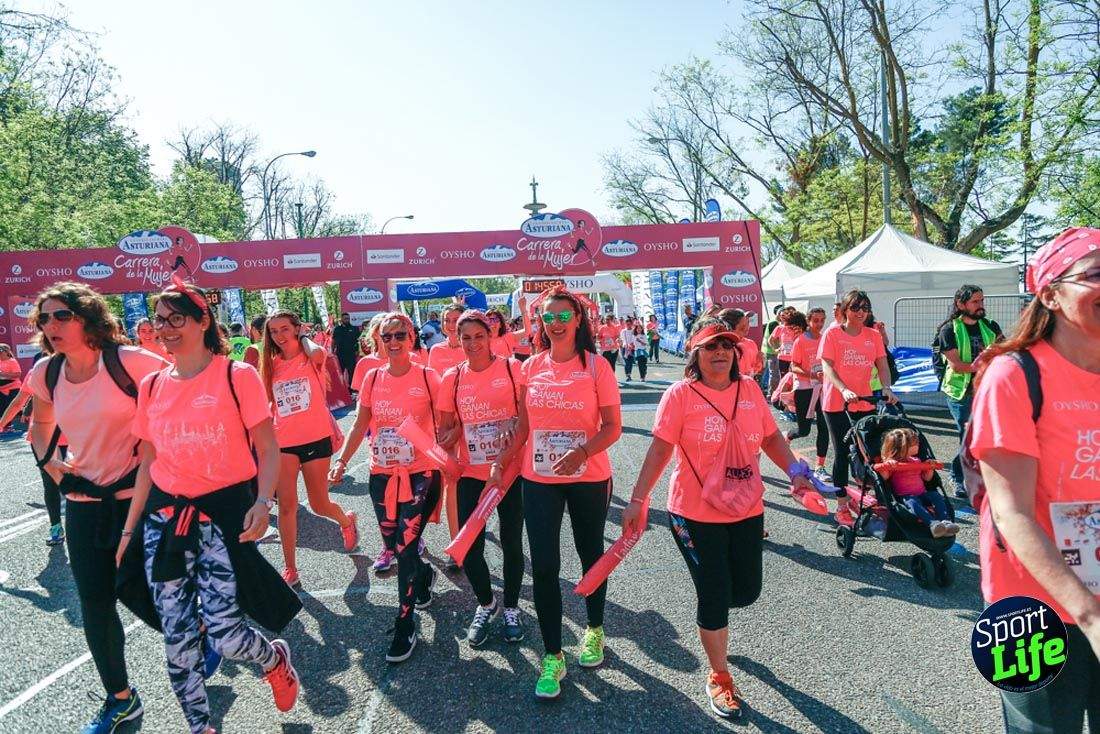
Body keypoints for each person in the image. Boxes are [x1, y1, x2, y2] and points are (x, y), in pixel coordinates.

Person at [118, 281, 301, 734]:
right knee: (178, 640)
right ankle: (200, 727)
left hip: (223, 515)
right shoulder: (152, 385)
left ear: (203, 321)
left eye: (176, 318)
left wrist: (263, 501)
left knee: (226, 635)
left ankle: (272, 659)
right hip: (165, 519)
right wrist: (128, 531)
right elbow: (147, 464)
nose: (165, 328)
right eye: (160, 319)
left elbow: (268, 448)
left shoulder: (236, 376)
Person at [622, 318, 813, 719]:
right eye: (710, 346)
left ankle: (717, 629)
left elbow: (770, 437)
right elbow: (660, 450)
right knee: (714, 592)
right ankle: (719, 675)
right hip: (693, 513)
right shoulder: (680, 395)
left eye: (727, 345)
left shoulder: (749, 390)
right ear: (695, 353)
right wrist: (638, 500)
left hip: (746, 507)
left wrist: (796, 472)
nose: (721, 352)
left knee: (745, 592)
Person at [967, 227, 1100, 734]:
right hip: (1029, 607)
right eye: (1096, 274)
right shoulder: (1014, 374)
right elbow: (1011, 511)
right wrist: (1089, 615)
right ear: (1049, 294)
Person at [25, 282, 168, 733]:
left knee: (142, 591)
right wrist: (53, 467)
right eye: (44, 318)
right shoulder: (47, 372)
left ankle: (200, 633)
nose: (51, 325)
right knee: (95, 602)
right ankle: (121, 699)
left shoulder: (132, 363)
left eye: (61, 315)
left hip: (138, 498)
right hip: (83, 502)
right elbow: (40, 424)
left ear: (87, 318)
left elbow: (182, 400)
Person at [490, 287, 622, 699]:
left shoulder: (597, 367)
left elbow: (612, 428)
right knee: (545, 566)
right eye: (549, 317)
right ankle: (552, 655)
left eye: (564, 316)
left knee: (590, 556)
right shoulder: (531, 367)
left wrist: (582, 451)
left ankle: (594, 629)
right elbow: (523, 428)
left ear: (578, 319)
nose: (557, 323)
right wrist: (500, 461)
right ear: (541, 323)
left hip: (589, 476)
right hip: (540, 479)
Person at [329, 312, 442, 663]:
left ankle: (405, 623)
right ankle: (424, 573)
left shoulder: (428, 376)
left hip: (420, 474)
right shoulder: (373, 377)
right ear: (378, 340)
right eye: (387, 336)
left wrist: (448, 455)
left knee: (405, 547)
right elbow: (360, 423)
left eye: (399, 335)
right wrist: (342, 461)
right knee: (394, 545)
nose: (393, 342)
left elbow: (448, 423)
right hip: (381, 474)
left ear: (411, 338)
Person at [435, 309, 527, 647]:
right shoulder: (452, 378)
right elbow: (445, 429)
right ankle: (487, 603)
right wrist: (449, 437)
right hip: (471, 472)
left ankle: (512, 607)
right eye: (466, 338)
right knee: (469, 547)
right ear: (458, 340)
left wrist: (508, 440)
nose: (473, 343)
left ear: (490, 337)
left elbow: (525, 419)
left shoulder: (512, 368)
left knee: (511, 541)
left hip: (509, 471)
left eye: (479, 336)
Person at [260, 310, 358, 587]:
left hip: (316, 439)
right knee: (287, 506)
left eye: (284, 329)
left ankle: (346, 520)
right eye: (274, 331)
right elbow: (267, 404)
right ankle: (290, 568)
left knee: (319, 504)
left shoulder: (310, 357)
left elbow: (317, 353)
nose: (279, 336)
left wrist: (304, 337)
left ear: (296, 329)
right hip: (284, 443)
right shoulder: (270, 365)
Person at [818, 290, 898, 522]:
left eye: (865, 308)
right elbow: (827, 367)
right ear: (845, 310)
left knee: (870, 452)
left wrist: (886, 388)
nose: (861, 312)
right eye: (855, 308)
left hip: (865, 400)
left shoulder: (873, 335)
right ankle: (842, 505)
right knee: (842, 452)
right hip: (837, 402)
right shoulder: (833, 334)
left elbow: (882, 365)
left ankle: (871, 497)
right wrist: (844, 389)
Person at [935, 285, 1003, 498]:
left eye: (982, 300)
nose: (980, 305)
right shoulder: (949, 329)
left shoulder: (990, 326)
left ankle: (982, 477)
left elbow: (1004, 353)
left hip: (986, 390)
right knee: (967, 436)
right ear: (961, 304)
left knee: (986, 436)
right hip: (960, 393)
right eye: (975, 301)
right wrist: (985, 362)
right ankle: (958, 477)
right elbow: (957, 366)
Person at [879, 428, 958, 537]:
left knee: (936, 495)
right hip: (905, 496)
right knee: (913, 502)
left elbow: (927, 478)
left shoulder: (916, 461)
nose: (918, 445)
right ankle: (933, 524)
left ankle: (946, 521)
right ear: (904, 447)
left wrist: (930, 467)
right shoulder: (893, 463)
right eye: (915, 444)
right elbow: (884, 478)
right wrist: (886, 466)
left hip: (922, 493)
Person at [785, 308, 830, 477]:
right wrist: (812, 374)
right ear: (808, 321)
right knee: (804, 430)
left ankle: (820, 466)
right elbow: (794, 366)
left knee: (824, 426)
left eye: (822, 320)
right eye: (816, 320)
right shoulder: (801, 341)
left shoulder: (825, 339)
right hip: (804, 388)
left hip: (823, 389)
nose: (819, 324)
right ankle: (788, 435)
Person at [426, 303, 467, 376]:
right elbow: (433, 379)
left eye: (456, 320)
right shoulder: (436, 350)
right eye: (447, 320)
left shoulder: (473, 348)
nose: (451, 325)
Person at [768, 309, 803, 377]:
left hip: (794, 358)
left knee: (795, 377)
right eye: (782, 315)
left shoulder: (796, 328)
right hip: (782, 358)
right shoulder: (779, 328)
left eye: (786, 315)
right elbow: (770, 340)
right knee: (784, 378)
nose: (783, 317)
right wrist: (775, 349)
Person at [331, 313, 361, 388]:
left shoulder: (355, 329)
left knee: (352, 372)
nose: (347, 320)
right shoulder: (337, 329)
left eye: (348, 318)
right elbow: (333, 341)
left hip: (351, 354)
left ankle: (352, 388)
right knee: (340, 372)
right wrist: (332, 350)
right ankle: (341, 388)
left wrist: (357, 350)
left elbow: (358, 341)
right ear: (342, 319)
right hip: (340, 354)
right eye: (345, 318)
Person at [760, 305, 785, 393]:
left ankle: (769, 390)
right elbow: (774, 338)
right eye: (783, 315)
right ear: (779, 314)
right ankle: (771, 392)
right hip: (772, 352)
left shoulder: (773, 321)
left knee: (771, 372)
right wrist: (778, 349)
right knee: (774, 374)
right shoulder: (774, 323)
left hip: (770, 351)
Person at [0, 343, 22, 420]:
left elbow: (18, 375)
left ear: (7, 352)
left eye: (1, 351)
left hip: (12, 389)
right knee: (2, 410)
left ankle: (19, 423)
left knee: (12, 410)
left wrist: (2, 374)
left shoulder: (12, 361)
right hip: (2, 389)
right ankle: (5, 425)